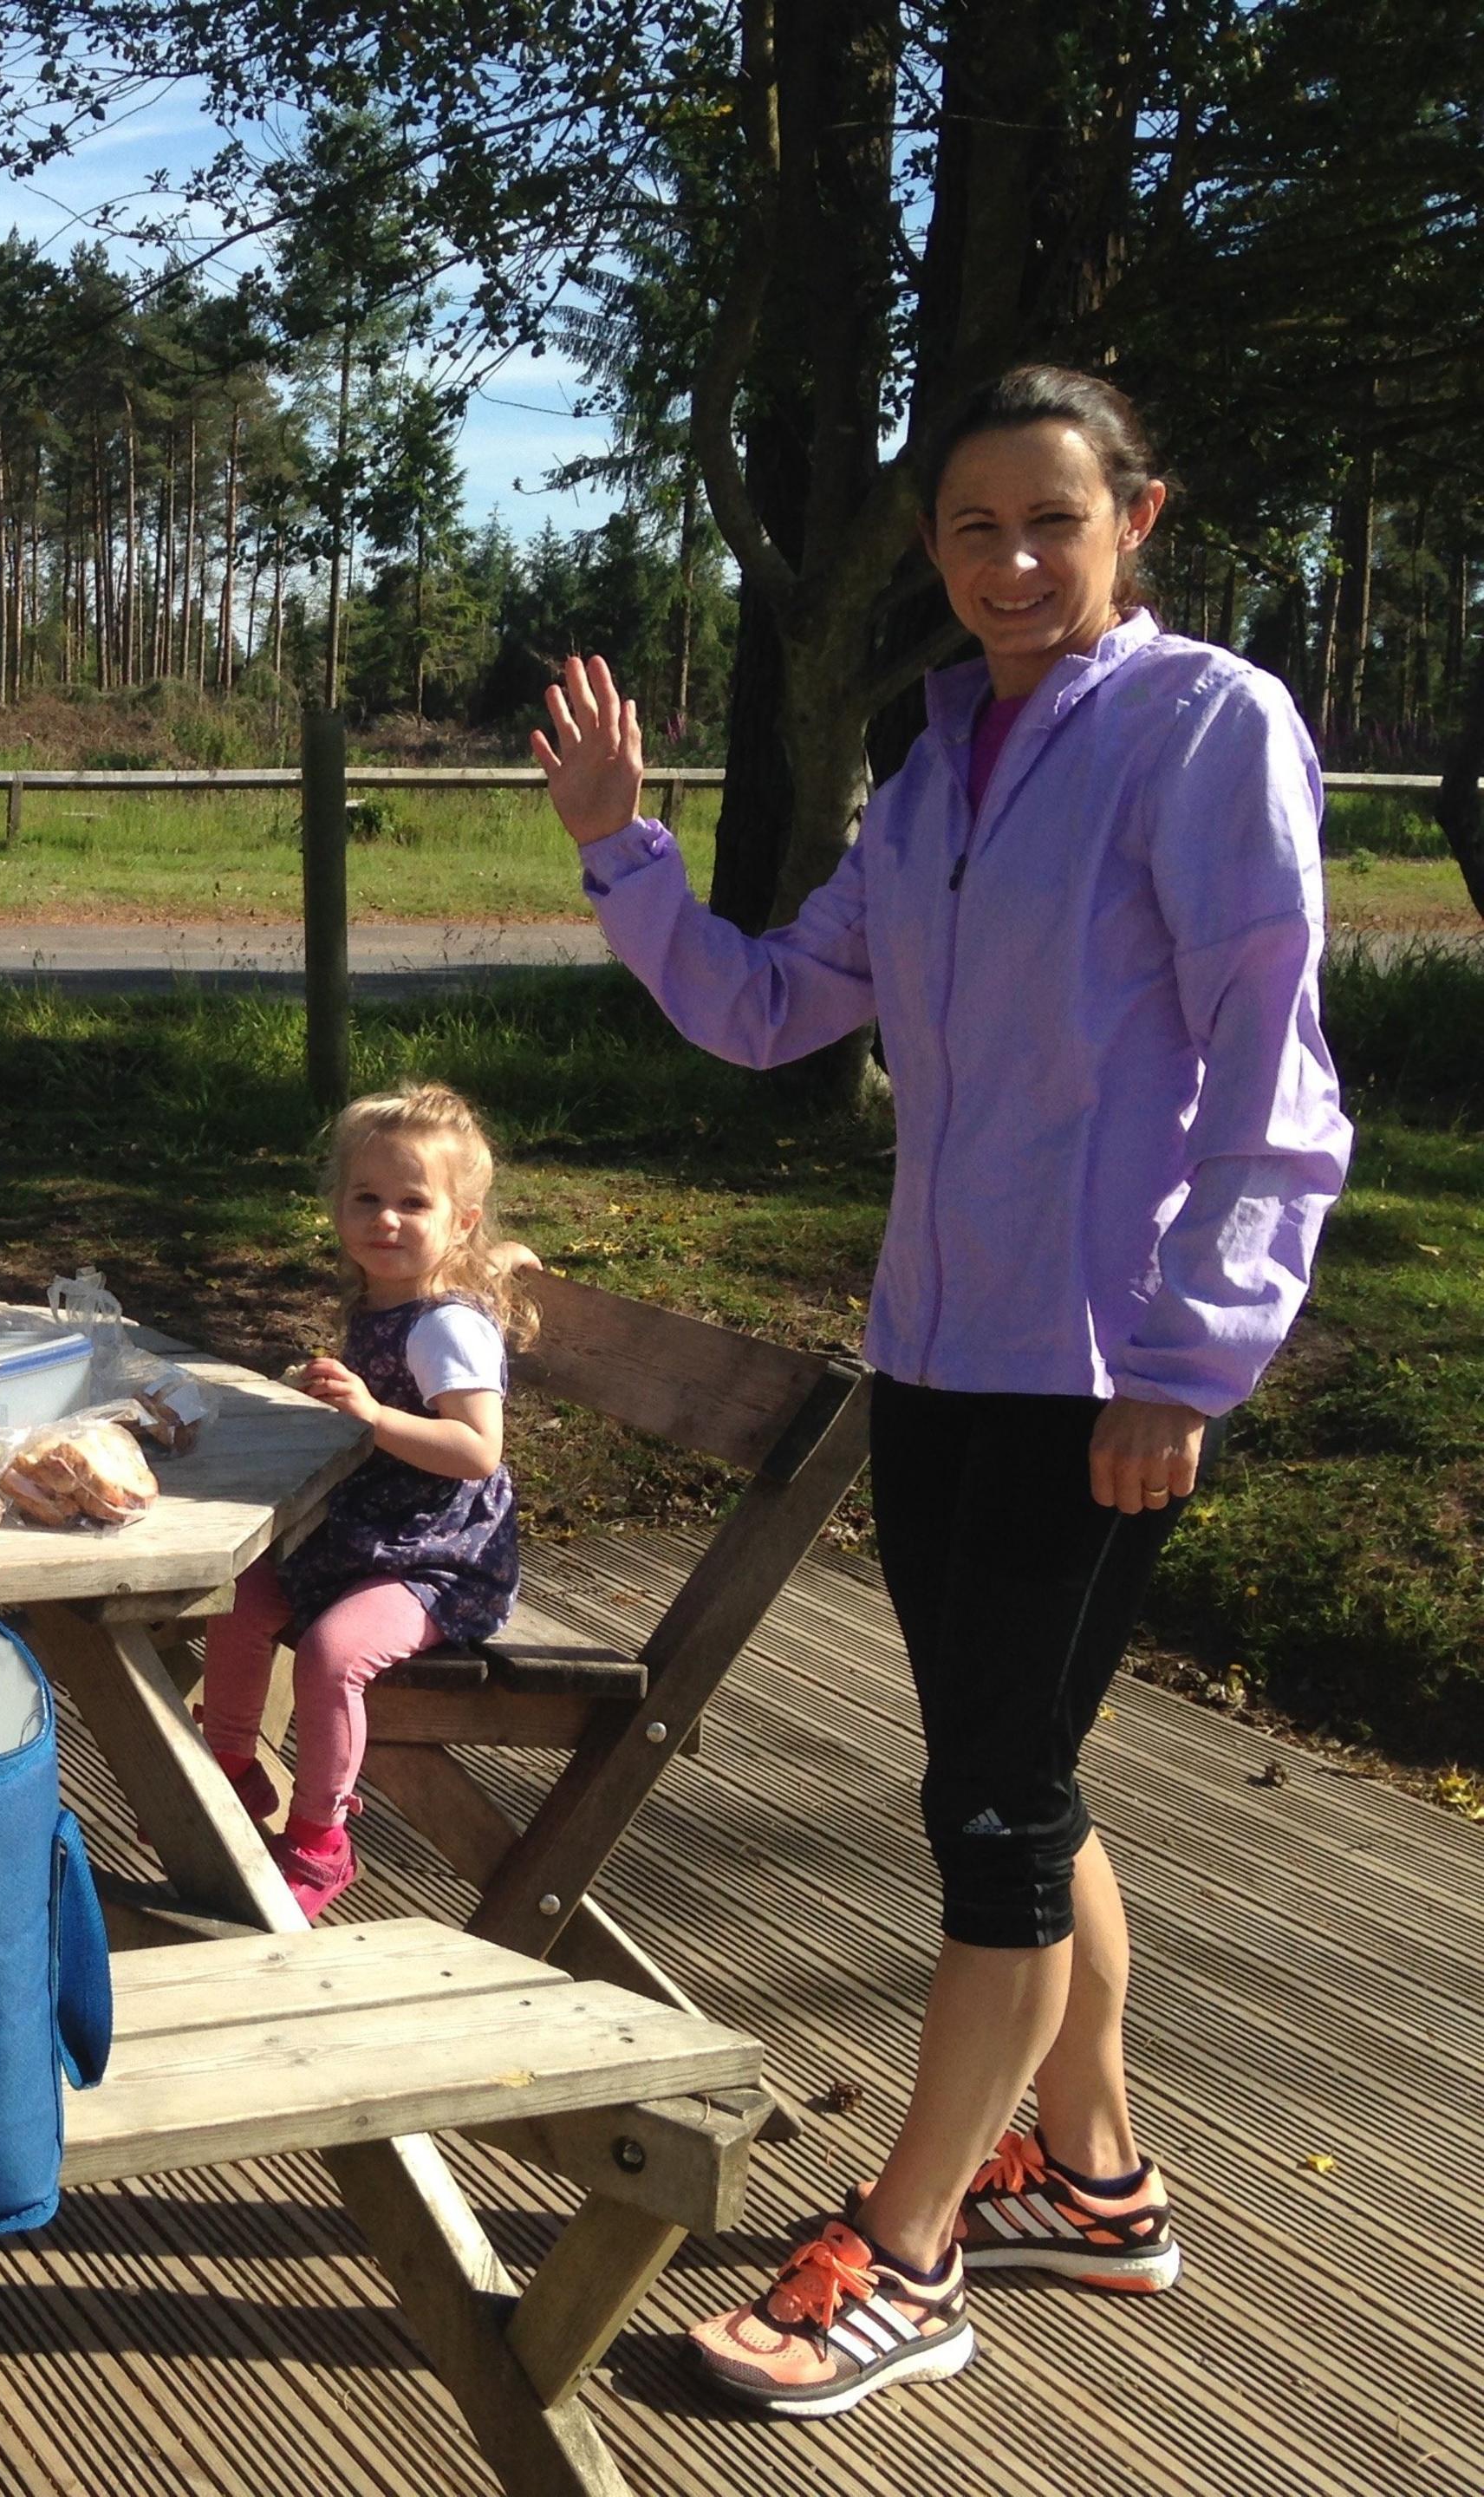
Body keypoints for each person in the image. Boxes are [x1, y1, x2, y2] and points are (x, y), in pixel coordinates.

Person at [534, 366, 1351, 2419]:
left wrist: (1185, 1359)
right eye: (970, 527)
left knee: (990, 1812)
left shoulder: (1203, 726)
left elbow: (1274, 1075)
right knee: (1019, 1769)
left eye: (1046, 522)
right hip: (928, 1360)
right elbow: (763, 1005)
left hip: (1096, 1376)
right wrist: (621, 850)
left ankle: (898, 2259)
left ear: (1130, 520)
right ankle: (1089, 2178)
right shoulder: (927, 768)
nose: (1005, 560)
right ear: (933, 547)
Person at [199, 1083, 531, 1917]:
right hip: (365, 1531)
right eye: (367, 1198)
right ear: (338, 1206)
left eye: (412, 1203)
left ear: (458, 1222)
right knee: (238, 1594)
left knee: (332, 1655)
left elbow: (476, 1451)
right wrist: (501, 1260)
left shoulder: (445, 1326)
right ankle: (233, 1771)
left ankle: (321, 1840)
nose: (386, 1219)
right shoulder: (396, 1296)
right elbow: (465, 1276)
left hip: (437, 1560)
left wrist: (375, 1416)